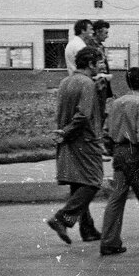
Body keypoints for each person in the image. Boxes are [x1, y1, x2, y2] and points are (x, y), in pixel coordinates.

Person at [98, 67, 139, 256]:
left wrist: (112, 150)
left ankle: (109, 241)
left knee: (116, 199)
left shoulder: (116, 103)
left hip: (119, 152)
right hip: (135, 155)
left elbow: (107, 131)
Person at [45, 46, 105, 245]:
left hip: (68, 141)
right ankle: (62, 218)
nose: (102, 66)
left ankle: (87, 229)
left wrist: (63, 132)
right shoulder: (87, 83)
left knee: (78, 184)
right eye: (100, 62)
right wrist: (68, 131)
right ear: (90, 64)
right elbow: (83, 115)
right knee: (93, 181)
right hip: (84, 140)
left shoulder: (66, 81)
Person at [89, 19, 114, 121]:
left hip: (103, 83)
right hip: (96, 83)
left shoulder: (100, 46)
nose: (107, 36)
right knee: (96, 112)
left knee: (101, 111)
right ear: (98, 32)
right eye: (105, 33)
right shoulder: (90, 46)